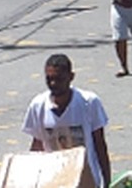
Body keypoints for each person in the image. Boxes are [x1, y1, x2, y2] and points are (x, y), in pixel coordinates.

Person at [22, 54, 111, 188]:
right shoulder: (38, 105)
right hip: (53, 179)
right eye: (49, 79)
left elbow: (100, 144)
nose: (53, 84)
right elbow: (37, 145)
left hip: (85, 180)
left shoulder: (89, 103)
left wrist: (107, 181)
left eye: (59, 79)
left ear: (71, 77)